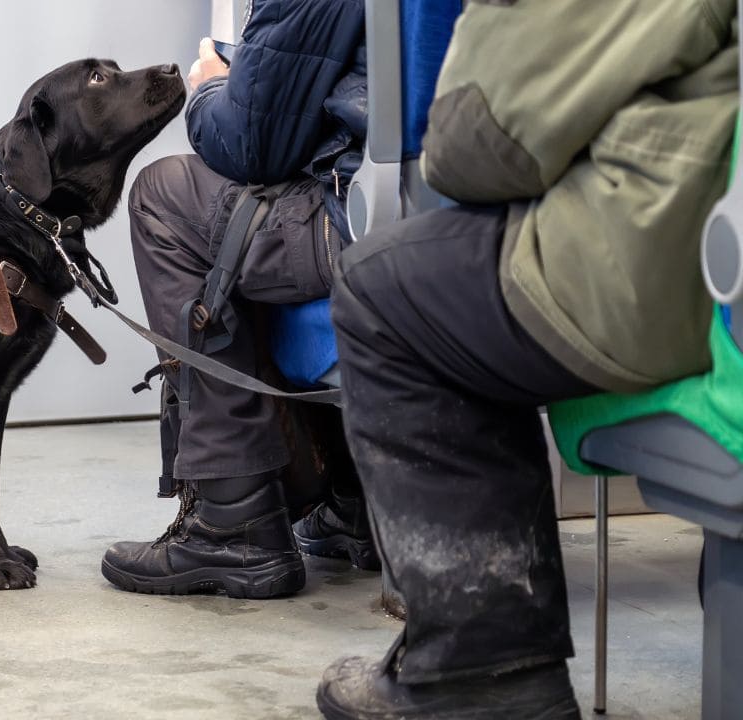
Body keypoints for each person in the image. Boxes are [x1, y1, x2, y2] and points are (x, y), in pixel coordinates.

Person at [315, 1, 738, 717]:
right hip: (707, 226)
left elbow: (475, 143)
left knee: (384, 291)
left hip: (677, 269)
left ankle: (483, 676)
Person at [100, 0, 371, 598]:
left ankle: (234, 521)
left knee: (166, 193)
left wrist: (210, 90)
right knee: (252, 211)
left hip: (365, 225)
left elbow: (250, 142)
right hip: (481, 215)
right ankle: (359, 496)